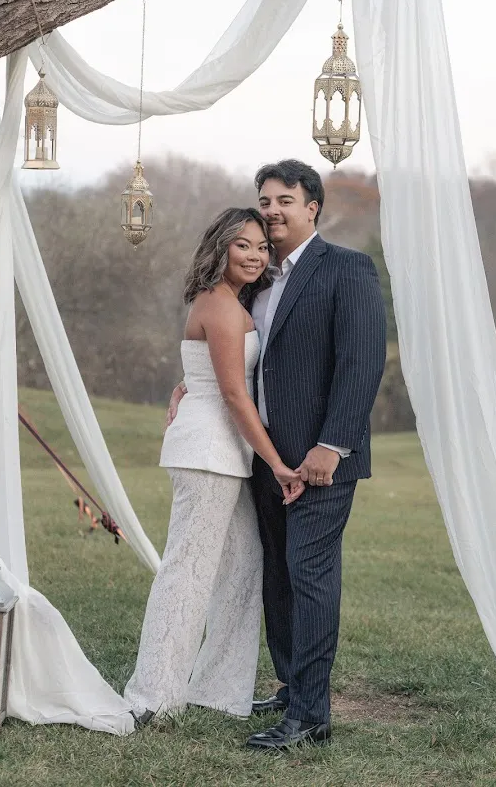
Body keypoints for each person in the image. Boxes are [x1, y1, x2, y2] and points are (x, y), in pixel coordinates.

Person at [169, 160, 387, 749]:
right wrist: (190, 383)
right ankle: (293, 688)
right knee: (279, 578)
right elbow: (240, 359)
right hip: (265, 460)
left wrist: (331, 446)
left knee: (309, 574)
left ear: (312, 207)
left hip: (320, 462)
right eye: (264, 200)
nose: (271, 210)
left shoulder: (346, 269)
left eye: (284, 200)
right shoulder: (257, 280)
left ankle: (311, 716)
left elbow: (361, 365)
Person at [124, 208, 304, 725]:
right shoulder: (220, 305)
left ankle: (219, 689)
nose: (255, 256)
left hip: (225, 454)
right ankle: (153, 696)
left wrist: (186, 383)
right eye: (243, 245)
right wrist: (278, 463)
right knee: (187, 572)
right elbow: (232, 395)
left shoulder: (230, 301)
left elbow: (215, 374)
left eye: (262, 248)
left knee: (244, 566)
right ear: (220, 247)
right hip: (208, 455)